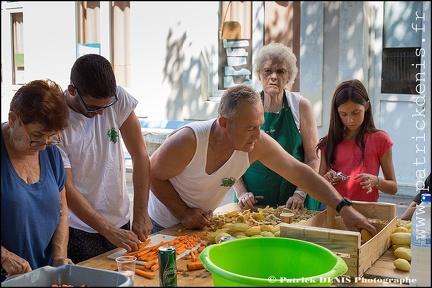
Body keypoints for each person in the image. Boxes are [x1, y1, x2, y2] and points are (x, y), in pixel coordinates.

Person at [148, 84, 377, 237]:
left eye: (260, 126)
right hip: (164, 224)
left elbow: (300, 173)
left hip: (199, 222)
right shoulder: (189, 140)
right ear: (224, 124)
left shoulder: (256, 142)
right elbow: (151, 174)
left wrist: (343, 207)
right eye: (250, 128)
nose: (258, 136)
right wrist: (183, 213)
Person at [56, 54, 152, 264]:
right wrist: (108, 230)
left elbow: (140, 155)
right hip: (80, 228)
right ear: (72, 90)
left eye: (106, 107)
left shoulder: (118, 98)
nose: (100, 113)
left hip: (120, 219)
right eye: (93, 107)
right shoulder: (57, 121)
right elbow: (67, 188)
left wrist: (141, 212)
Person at [233, 42, 321, 211]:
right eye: (267, 71)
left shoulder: (301, 106)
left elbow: (313, 158)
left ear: (289, 77)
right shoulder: (246, 106)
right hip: (253, 202)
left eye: (280, 71)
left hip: (294, 202)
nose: (273, 76)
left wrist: (300, 193)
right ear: (259, 75)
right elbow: (231, 156)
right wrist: (242, 192)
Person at [1, 79, 73, 281]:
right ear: (13, 119)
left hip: (43, 276)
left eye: (51, 137)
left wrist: (59, 257)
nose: (43, 146)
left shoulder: (51, 154)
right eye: (36, 136)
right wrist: (4, 256)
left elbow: (62, 210)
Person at [316, 79, 398, 204]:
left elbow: (393, 188)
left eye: (356, 113)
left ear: (366, 106)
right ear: (337, 113)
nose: (350, 120)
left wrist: (376, 181)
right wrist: (327, 179)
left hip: (368, 211)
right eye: (343, 114)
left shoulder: (380, 140)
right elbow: (319, 187)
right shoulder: (328, 143)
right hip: (334, 210)